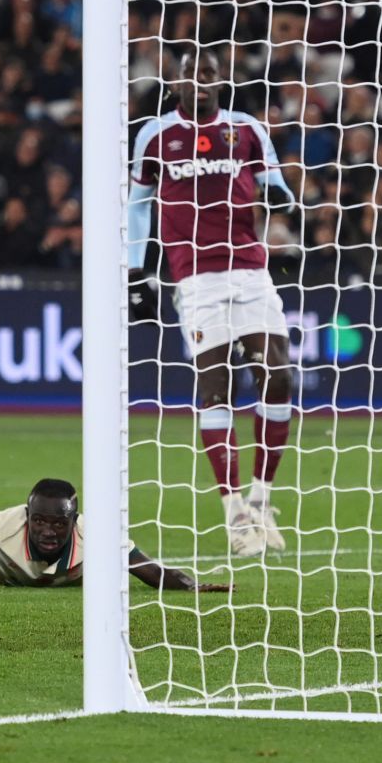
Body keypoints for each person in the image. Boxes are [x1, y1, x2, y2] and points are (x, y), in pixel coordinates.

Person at [127, 45, 297, 557]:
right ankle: (234, 513)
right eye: (190, 74)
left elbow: (276, 186)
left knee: (278, 372)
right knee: (215, 383)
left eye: (209, 74)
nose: (200, 81)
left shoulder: (246, 128)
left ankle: (263, 501)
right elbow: (137, 206)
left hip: (250, 268)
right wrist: (137, 271)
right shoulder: (154, 136)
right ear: (174, 82)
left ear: (221, 82)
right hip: (195, 277)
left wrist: (288, 204)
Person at [0, 478, 229, 594]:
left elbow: (151, 571)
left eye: (58, 523)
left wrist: (192, 585)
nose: (48, 531)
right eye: (39, 521)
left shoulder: (100, 535)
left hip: (35, 574)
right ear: (27, 516)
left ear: (74, 521)